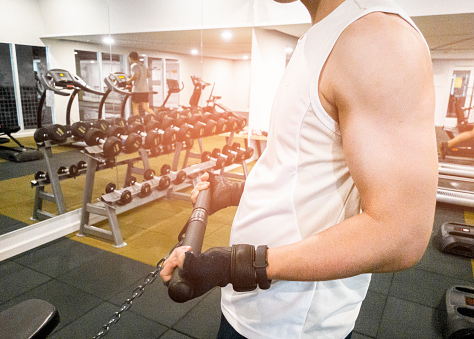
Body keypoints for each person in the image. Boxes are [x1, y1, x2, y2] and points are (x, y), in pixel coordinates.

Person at [161, 0, 437, 338]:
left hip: (290, 325)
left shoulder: (377, 37)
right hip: (252, 307)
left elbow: (400, 233)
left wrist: (237, 264)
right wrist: (234, 191)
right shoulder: (320, 38)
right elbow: (300, 174)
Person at [128, 51, 155, 117]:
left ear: (131, 58)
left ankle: (137, 121)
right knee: (145, 107)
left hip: (137, 90)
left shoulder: (134, 66)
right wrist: (142, 77)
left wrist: (129, 81)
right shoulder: (143, 66)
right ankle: (156, 118)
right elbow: (149, 75)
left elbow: (136, 75)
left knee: (135, 107)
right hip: (145, 90)